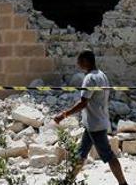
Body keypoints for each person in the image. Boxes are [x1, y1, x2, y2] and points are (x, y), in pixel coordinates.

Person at [54, 50, 128, 185]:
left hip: (95, 125)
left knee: (108, 155)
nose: (78, 64)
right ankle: (68, 181)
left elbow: (83, 102)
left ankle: (123, 183)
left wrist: (64, 114)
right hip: (95, 122)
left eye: (80, 61)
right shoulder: (102, 75)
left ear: (86, 61)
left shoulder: (90, 78)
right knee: (81, 154)